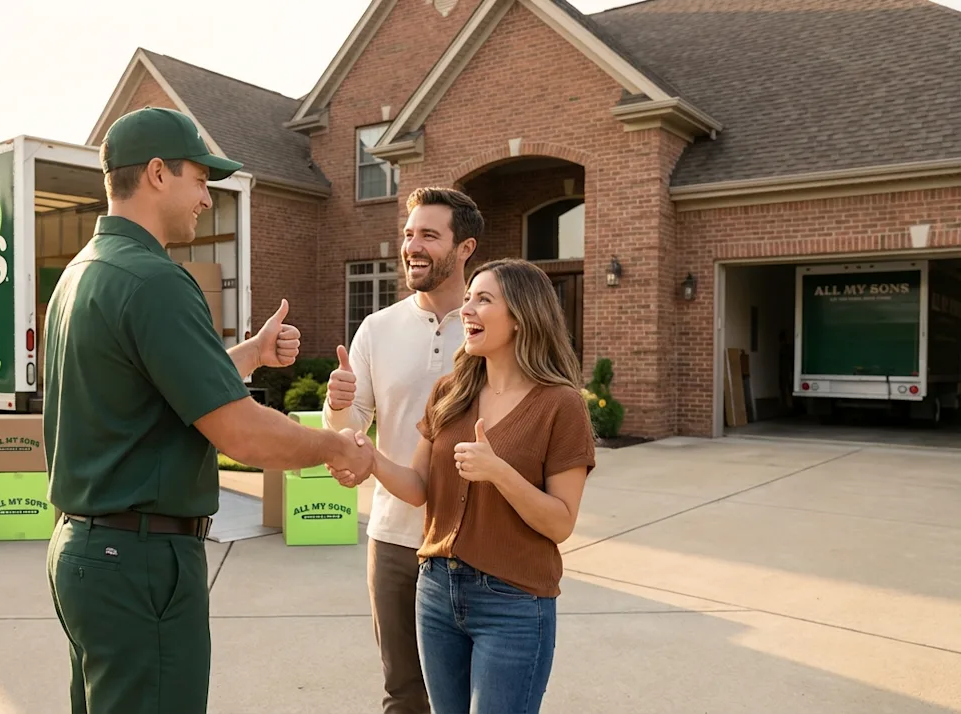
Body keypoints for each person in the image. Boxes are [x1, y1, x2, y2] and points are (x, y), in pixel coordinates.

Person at [42, 105, 375, 714]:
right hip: (139, 564)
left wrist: (249, 354)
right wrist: (334, 446)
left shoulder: (82, 275)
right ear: (159, 174)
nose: (206, 198)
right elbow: (241, 434)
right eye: (201, 179)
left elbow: (148, 387)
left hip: (87, 554)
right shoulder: (156, 281)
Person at [330, 257, 596, 714]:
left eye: (484, 300)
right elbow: (417, 487)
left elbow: (560, 523)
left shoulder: (561, 405)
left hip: (513, 602)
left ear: (521, 317)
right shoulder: (450, 391)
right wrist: (371, 459)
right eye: (468, 297)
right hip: (435, 591)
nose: (467, 309)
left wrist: (499, 472)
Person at [323, 186, 482, 714]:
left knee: (469, 697)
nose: (413, 246)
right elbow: (353, 427)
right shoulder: (378, 327)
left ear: (465, 248)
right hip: (394, 539)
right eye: (409, 234)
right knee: (402, 694)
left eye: (429, 236)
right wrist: (338, 402)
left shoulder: (492, 326)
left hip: (476, 541)